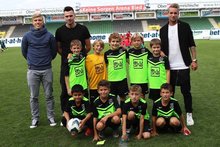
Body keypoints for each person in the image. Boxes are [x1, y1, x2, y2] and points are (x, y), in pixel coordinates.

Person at [159, 3, 198, 126]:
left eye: (175, 13)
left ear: (178, 13)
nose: (173, 15)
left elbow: (192, 44)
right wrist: (161, 53)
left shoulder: (185, 27)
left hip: (184, 66)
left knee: (186, 91)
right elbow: (162, 48)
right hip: (170, 68)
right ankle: (171, 112)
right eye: (171, 13)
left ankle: (189, 114)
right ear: (168, 14)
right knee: (170, 92)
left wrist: (194, 60)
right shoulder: (163, 30)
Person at [21, 12, 57, 128]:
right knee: (33, 97)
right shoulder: (27, 36)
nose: (38, 22)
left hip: (47, 69)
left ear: (43, 22)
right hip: (32, 70)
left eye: (40, 20)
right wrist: (33, 62)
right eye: (35, 20)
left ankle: (50, 116)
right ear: (32, 22)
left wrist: (46, 61)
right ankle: (35, 118)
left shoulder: (50, 36)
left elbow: (53, 52)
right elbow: (24, 52)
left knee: (49, 95)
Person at [55, 6, 91, 114]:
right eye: (66, 16)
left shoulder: (83, 29)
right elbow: (59, 48)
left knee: (83, 89)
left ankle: (85, 112)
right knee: (66, 91)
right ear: (64, 17)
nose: (69, 18)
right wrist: (68, 58)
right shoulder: (59, 31)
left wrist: (78, 57)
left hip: (80, 65)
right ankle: (65, 114)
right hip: (66, 65)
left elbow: (88, 47)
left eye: (71, 15)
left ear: (74, 15)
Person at [104, 32, 129, 107]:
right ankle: (115, 115)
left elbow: (130, 62)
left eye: (117, 41)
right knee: (112, 99)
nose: (115, 43)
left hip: (122, 79)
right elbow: (106, 66)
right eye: (113, 41)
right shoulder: (107, 53)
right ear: (109, 42)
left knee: (123, 98)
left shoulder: (124, 51)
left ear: (120, 42)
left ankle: (123, 114)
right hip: (112, 80)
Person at [128, 33, 151, 98]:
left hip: (143, 78)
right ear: (132, 42)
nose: (136, 42)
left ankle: (143, 108)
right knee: (133, 95)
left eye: (138, 40)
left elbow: (153, 57)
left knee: (142, 95)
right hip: (134, 78)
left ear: (142, 41)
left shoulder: (146, 51)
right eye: (134, 41)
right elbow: (127, 61)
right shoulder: (129, 51)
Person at [86, 39, 107, 105]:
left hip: (104, 85)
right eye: (97, 46)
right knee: (93, 105)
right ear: (93, 46)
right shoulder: (88, 57)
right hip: (93, 85)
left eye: (101, 46)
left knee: (104, 103)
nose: (99, 48)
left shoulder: (104, 56)